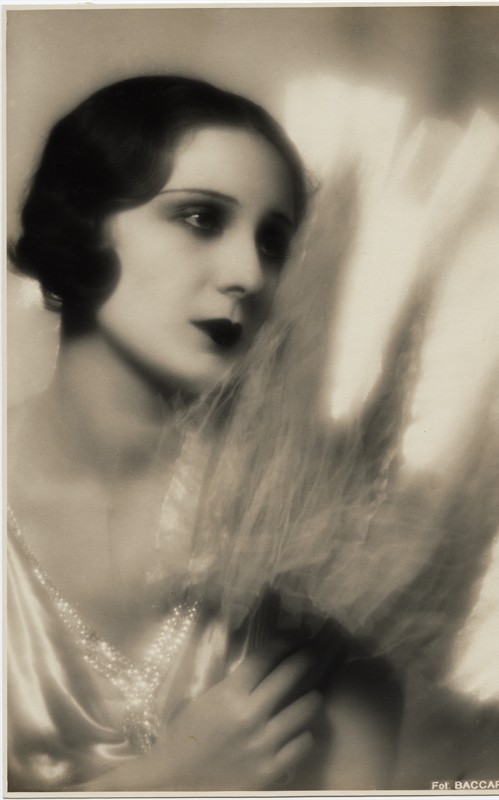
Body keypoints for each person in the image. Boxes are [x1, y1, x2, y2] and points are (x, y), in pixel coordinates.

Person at [7, 75, 401, 792]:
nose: (249, 274)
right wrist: (165, 780)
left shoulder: (309, 540)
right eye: (199, 218)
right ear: (85, 221)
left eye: (273, 243)